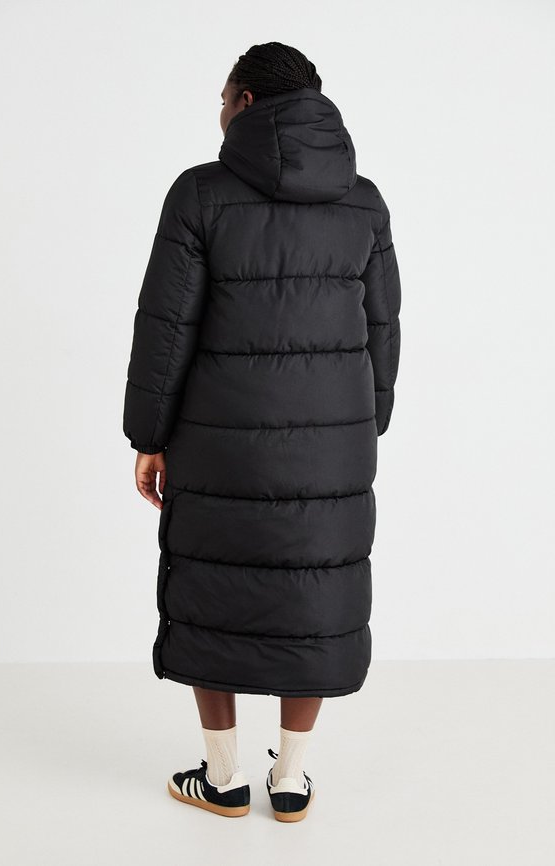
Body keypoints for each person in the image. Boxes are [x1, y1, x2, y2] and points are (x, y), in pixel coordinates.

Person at [123, 41, 401, 822]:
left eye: (223, 97)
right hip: (333, 446)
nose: (218, 110)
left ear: (245, 101)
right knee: (314, 597)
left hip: (220, 442)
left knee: (214, 588)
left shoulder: (200, 194)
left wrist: (148, 435)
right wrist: (367, 422)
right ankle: (292, 779)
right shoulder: (363, 202)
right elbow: (383, 327)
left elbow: (165, 329)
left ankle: (222, 776)